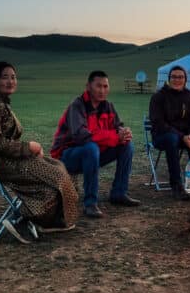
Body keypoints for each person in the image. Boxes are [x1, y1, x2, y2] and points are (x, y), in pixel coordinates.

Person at [0, 61, 78, 243]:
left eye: (13, 77)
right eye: (5, 77)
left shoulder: (0, 103)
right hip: (4, 163)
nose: (10, 81)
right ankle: (30, 216)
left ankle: (47, 218)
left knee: (58, 166)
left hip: (13, 159)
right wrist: (28, 148)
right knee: (57, 177)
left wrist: (30, 151)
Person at [51, 70, 140, 218]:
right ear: (88, 86)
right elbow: (81, 136)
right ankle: (90, 203)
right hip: (66, 156)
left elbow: (117, 126)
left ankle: (119, 193)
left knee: (127, 145)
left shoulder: (108, 106)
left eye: (105, 86)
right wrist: (114, 136)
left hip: (93, 154)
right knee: (91, 147)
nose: (102, 90)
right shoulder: (77, 105)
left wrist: (124, 133)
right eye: (98, 86)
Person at [148, 65, 190, 200]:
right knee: (172, 138)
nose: (177, 80)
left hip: (186, 137)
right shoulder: (158, 97)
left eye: (180, 77)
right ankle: (176, 185)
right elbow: (159, 123)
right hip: (163, 136)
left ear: (185, 79)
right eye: (174, 77)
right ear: (169, 79)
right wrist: (182, 137)